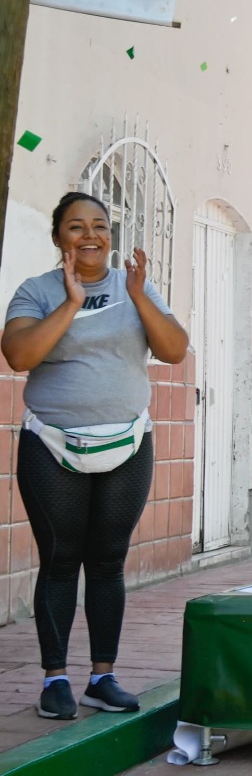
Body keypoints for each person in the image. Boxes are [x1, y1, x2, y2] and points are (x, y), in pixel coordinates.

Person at [2, 192, 189, 719]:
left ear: (111, 233)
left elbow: (174, 350)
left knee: (108, 561)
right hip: (52, 443)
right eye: (77, 226)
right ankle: (54, 678)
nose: (90, 235)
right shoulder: (37, 291)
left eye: (100, 226)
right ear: (58, 235)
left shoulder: (136, 288)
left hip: (128, 442)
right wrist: (70, 304)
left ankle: (102, 676)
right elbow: (19, 355)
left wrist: (140, 295)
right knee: (60, 561)